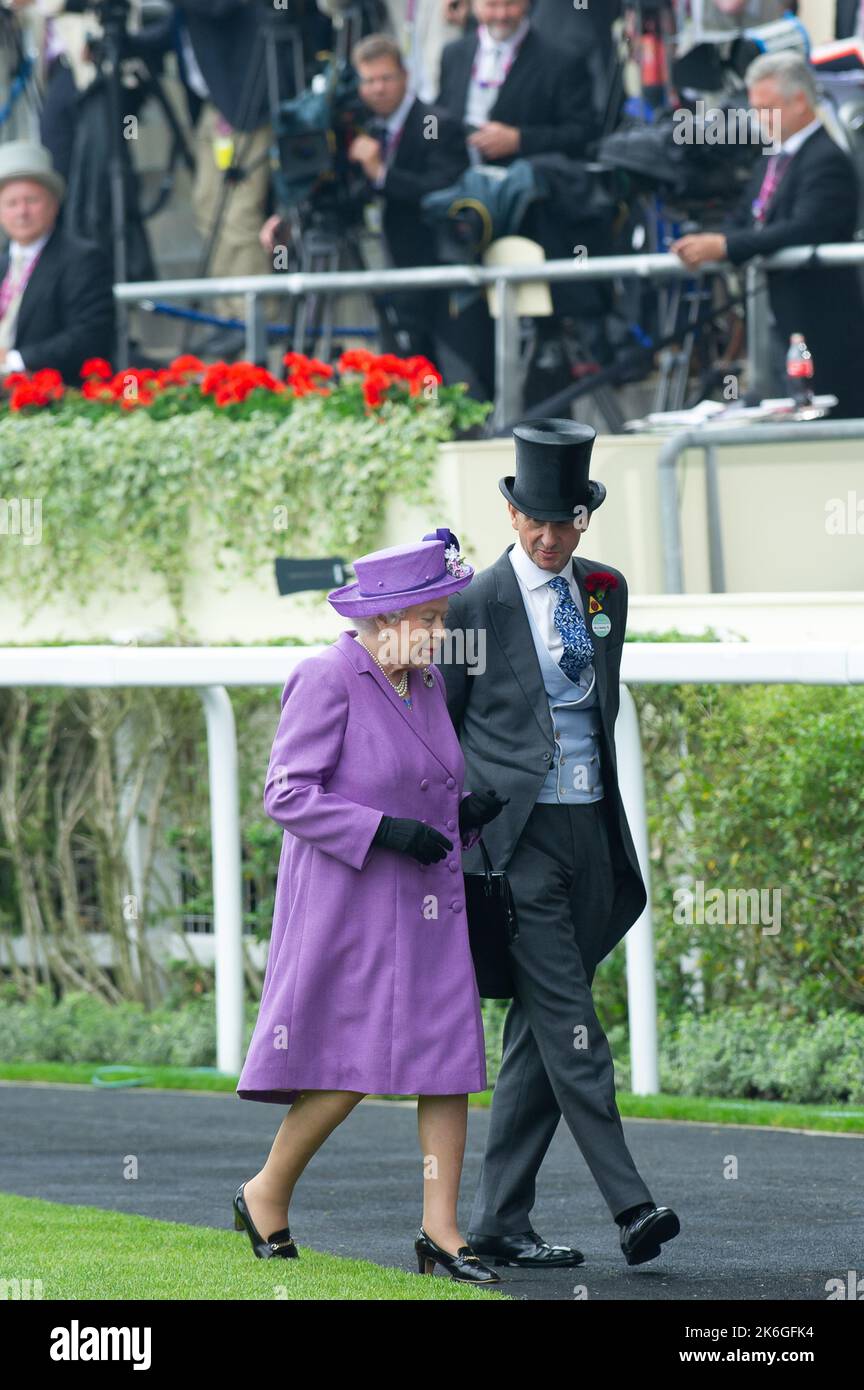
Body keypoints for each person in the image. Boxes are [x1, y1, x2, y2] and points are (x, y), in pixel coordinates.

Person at [234, 529, 509, 1284]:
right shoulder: (327, 676)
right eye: (433, 618)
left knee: (448, 1061)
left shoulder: (424, 683)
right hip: (353, 902)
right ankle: (264, 1194)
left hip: (428, 903)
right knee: (351, 1065)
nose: (442, 632)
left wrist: (466, 812)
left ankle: (441, 1232)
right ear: (389, 620)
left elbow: (423, 787)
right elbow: (286, 793)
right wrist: (383, 830)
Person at [439, 419, 681, 1269]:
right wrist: (464, 836)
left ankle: (501, 1221)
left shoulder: (607, 590)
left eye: (566, 521)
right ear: (511, 515)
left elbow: (596, 707)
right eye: (535, 521)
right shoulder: (471, 606)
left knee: (542, 1034)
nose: (549, 538)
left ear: (584, 518)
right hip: (518, 846)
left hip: (593, 833)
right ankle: (633, 1206)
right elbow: (445, 727)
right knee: (578, 1030)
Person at [670, 50, 864, 418]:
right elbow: (747, 217)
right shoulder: (773, 158)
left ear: (800, 102)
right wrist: (712, 243)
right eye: (756, 109)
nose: (760, 119)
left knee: (828, 419)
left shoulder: (826, 159)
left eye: (767, 108)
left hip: (824, 324)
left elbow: (803, 227)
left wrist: (725, 246)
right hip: (780, 319)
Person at [345, 33, 471, 376]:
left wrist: (381, 174)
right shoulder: (365, 129)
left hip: (434, 271)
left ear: (405, 76)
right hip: (390, 265)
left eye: (386, 78)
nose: (378, 88)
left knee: (439, 366)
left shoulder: (435, 123)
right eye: (369, 80)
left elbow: (441, 190)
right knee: (401, 362)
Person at [0, 140, 115, 382]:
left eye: (31, 200)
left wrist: (14, 360)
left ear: (54, 204)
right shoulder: (4, 263)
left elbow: (90, 335)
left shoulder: (82, 259)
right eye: (11, 203)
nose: (22, 212)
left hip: (54, 394)